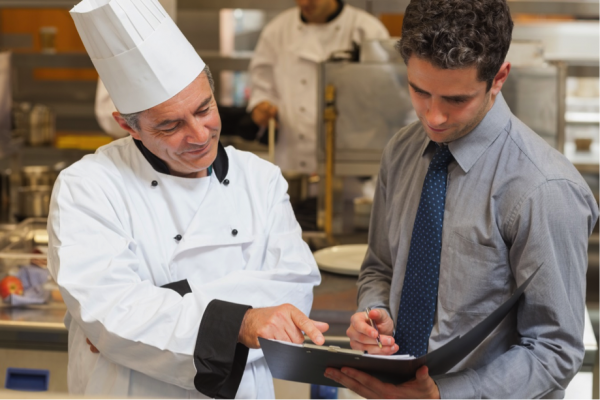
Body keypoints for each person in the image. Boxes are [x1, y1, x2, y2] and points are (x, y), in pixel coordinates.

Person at [48, 1, 328, 399]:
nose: (198, 135)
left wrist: (161, 301)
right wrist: (239, 322)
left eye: (205, 109)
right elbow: (109, 313)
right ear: (129, 126)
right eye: (170, 124)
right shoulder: (88, 186)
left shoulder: (261, 180)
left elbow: (294, 293)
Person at [325, 0, 599, 398]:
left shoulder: (544, 189)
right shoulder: (402, 151)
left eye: (456, 100)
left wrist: (443, 395)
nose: (433, 117)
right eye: (419, 91)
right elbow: (379, 267)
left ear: (499, 77)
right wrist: (375, 313)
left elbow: (555, 350)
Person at [248, 0, 389, 174]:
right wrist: (261, 107)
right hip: (292, 160)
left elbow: (387, 98)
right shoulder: (277, 30)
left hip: (350, 167)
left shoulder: (366, 29)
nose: (304, 2)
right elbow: (262, 88)